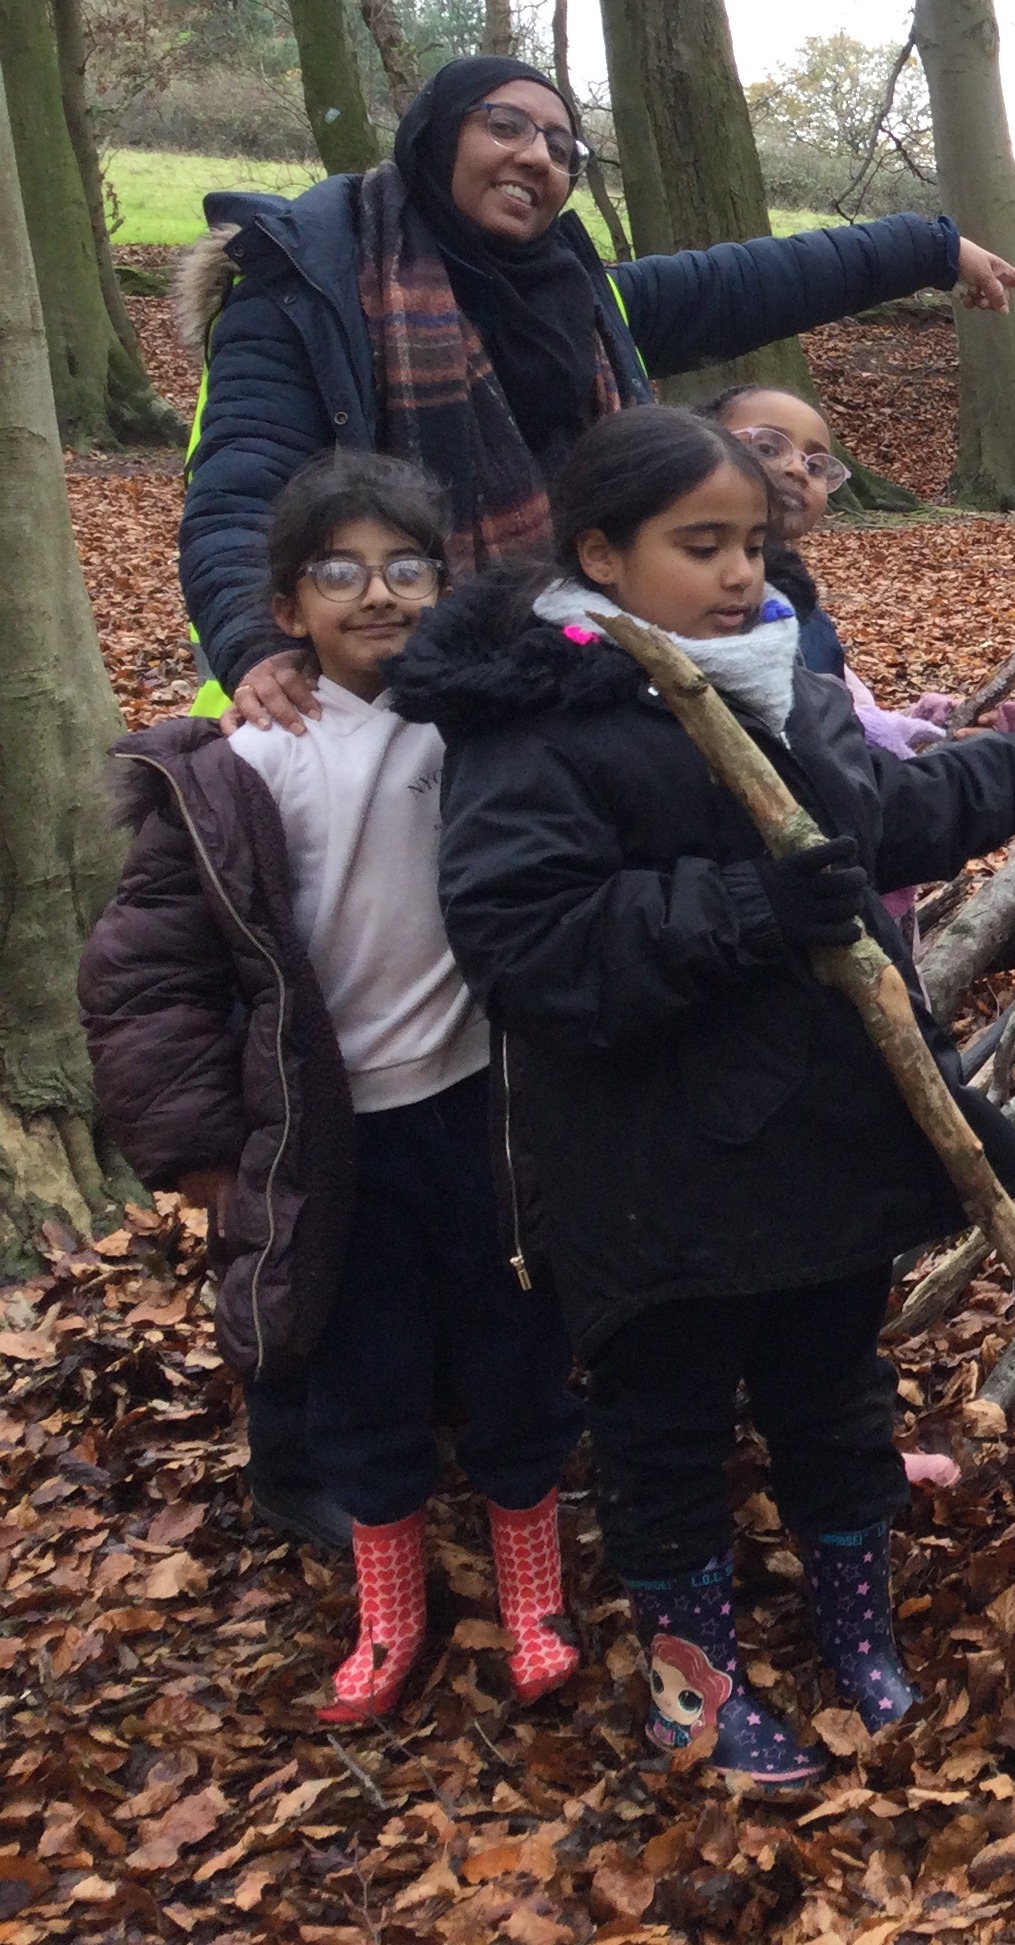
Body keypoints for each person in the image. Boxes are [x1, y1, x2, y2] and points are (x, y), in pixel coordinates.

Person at [385, 406, 1015, 1783]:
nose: (740, 573)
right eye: (700, 546)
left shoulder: (768, 673)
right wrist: (748, 908)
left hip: (818, 1136)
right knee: (664, 1424)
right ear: (600, 553)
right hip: (653, 1165)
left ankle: (858, 1632)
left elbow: (866, 822)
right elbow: (527, 942)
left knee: (832, 1392)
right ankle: (693, 1689)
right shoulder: (538, 716)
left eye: (752, 543)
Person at [80, 452, 582, 1722]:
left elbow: (585, 641)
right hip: (329, 1132)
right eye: (341, 573)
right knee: (362, 1364)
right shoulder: (250, 763)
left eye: (408, 568)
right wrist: (202, 1148)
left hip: (484, 1106)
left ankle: (535, 1596)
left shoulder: (481, 708)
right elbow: (151, 974)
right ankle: (390, 1610)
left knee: (514, 1344)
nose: (379, 596)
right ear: (289, 607)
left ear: (444, 581)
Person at [175, 53, 1015, 732]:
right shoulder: (308, 295)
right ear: (435, 134)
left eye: (561, 146)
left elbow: (750, 280)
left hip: (556, 679)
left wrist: (929, 250)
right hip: (355, 690)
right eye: (506, 125)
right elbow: (241, 492)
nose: (537, 156)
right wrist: (256, 643)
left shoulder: (579, 301)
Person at [705, 382, 1015, 748]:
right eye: (766, 447)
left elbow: (849, 726)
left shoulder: (806, 612)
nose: (796, 468)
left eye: (817, 464)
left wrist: (928, 729)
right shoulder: (704, 607)